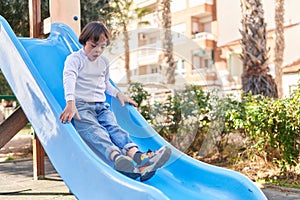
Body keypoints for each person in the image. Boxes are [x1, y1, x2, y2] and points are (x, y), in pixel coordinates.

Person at [59, 21, 171, 181]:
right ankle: (118, 158)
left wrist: (119, 94)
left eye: (102, 47)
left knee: (115, 129)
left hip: (101, 106)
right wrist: (70, 103)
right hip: (81, 107)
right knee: (95, 131)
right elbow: (68, 78)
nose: (97, 51)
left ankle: (140, 159)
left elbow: (105, 85)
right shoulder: (75, 59)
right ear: (84, 41)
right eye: (93, 46)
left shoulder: (103, 62)